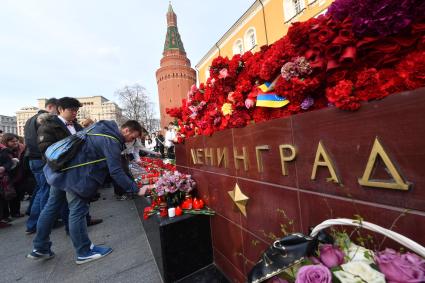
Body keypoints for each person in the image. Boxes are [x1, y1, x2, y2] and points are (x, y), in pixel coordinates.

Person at [27, 120, 143, 264]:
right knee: (77, 211)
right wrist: (136, 189)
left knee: (51, 207)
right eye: (132, 137)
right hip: (77, 178)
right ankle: (84, 251)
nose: (131, 141)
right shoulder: (111, 140)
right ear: (126, 130)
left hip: (60, 171)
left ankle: (40, 247)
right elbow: (116, 171)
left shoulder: (99, 128)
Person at [23, 98, 58, 219]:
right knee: (45, 191)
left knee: (40, 190)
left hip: (33, 158)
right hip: (41, 158)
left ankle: (33, 223)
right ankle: (46, 221)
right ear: (50, 107)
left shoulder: (29, 120)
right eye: (57, 109)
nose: (58, 112)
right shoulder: (44, 118)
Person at [1, 133, 27, 219]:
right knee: (9, 196)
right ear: (6, 141)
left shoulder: (20, 149)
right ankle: (8, 214)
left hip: (18, 175)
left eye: (16, 141)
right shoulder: (5, 151)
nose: (15, 143)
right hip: (9, 176)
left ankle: (15, 212)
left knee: (17, 194)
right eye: (13, 141)